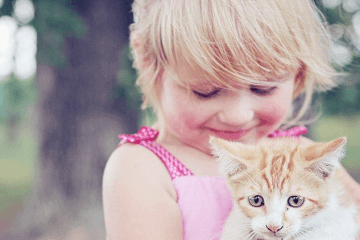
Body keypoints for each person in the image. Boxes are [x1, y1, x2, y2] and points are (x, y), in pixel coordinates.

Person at [102, 0, 360, 239]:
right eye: (206, 92)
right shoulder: (142, 168)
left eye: (263, 89)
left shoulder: (304, 155)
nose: (238, 116)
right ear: (149, 63)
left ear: (298, 73)